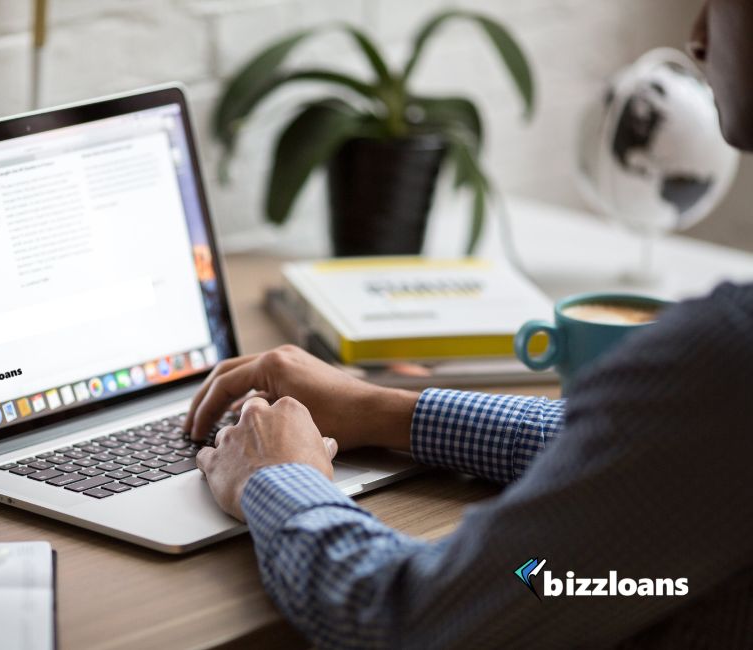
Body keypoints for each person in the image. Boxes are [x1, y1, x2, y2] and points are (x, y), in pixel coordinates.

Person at [185, 2, 753, 647]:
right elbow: (656, 448)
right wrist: (383, 409)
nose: (697, 35)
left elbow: (407, 621)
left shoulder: (728, 354)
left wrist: (275, 479)